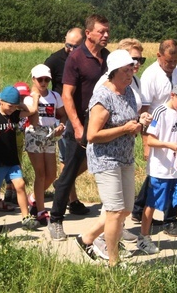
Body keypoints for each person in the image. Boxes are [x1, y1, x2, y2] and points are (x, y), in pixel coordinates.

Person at [75, 50, 147, 267]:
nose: (130, 74)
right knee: (115, 211)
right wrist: (125, 128)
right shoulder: (103, 97)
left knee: (125, 209)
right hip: (105, 159)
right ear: (114, 72)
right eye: (126, 70)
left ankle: (87, 238)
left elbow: (127, 122)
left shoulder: (127, 92)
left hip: (125, 157)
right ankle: (114, 262)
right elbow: (92, 135)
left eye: (132, 69)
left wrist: (139, 121)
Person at [48, 14, 111, 241]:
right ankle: (55, 219)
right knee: (71, 170)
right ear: (89, 33)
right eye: (101, 31)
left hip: (104, 122)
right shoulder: (76, 58)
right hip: (82, 123)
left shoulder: (108, 58)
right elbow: (67, 94)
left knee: (108, 168)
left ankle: (113, 223)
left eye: (107, 31)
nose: (106, 35)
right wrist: (76, 125)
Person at [133, 39, 177, 237]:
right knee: (158, 177)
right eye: (168, 61)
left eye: (175, 61)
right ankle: (148, 215)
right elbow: (145, 109)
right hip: (157, 128)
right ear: (158, 56)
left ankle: (165, 219)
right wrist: (146, 142)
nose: (172, 65)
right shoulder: (150, 75)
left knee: (170, 176)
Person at [138, 81, 177, 257]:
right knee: (152, 204)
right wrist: (168, 145)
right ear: (173, 95)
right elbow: (150, 140)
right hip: (160, 169)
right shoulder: (160, 112)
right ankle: (144, 237)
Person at [0, 86, 39, 231]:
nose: (12, 109)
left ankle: (26, 217)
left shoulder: (14, 115)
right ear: (1, 101)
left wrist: (19, 104)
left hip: (12, 160)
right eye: (10, 106)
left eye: (15, 107)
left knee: (20, 185)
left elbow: (32, 110)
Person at [44, 27, 86, 216]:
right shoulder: (55, 59)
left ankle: (62, 183)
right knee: (67, 158)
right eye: (67, 45)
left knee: (85, 158)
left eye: (74, 46)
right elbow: (40, 83)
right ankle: (72, 199)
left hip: (84, 112)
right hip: (64, 114)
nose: (69, 49)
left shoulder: (86, 58)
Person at [25, 64, 66, 226]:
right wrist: (35, 99)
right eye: (40, 79)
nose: (43, 83)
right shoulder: (29, 98)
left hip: (50, 133)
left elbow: (62, 115)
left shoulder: (55, 96)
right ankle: (41, 211)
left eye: (46, 80)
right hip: (34, 134)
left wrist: (61, 125)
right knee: (40, 173)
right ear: (33, 79)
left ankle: (34, 198)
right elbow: (32, 120)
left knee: (51, 174)